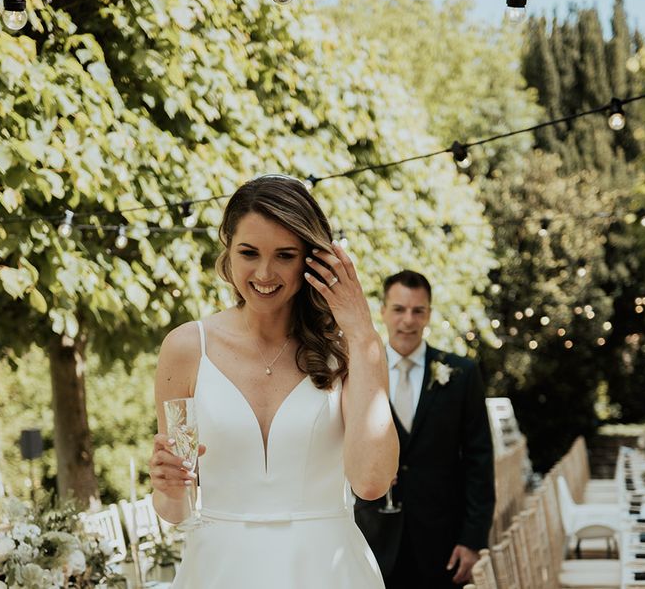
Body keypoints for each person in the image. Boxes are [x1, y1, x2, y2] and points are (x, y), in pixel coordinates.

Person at [149, 175, 399, 588]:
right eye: (249, 252)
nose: (264, 273)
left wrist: (361, 332)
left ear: (311, 260)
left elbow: (371, 483)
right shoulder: (186, 348)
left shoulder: (348, 350)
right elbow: (178, 508)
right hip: (219, 571)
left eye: (285, 255)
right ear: (228, 251)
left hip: (328, 572)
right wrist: (167, 485)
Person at [354, 270, 495, 588]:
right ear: (383, 311)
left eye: (418, 311)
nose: (408, 320)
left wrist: (473, 540)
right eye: (399, 309)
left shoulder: (462, 374)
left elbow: (479, 461)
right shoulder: (358, 372)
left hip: (442, 541)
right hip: (372, 536)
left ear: (429, 314)